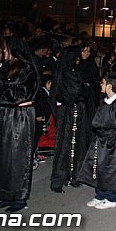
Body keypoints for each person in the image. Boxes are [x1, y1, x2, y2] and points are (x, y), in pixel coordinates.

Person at [0, 38, 40, 212]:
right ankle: (5, 194)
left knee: (17, 157)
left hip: (20, 116)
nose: (3, 52)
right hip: (6, 115)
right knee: (3, 156)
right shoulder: (7, 68)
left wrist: (2, 87)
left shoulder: (26, 69)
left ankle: (19, 197)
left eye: (6, 50)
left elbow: (21, 94)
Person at [77, 74, 116, 209]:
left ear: (109, 86)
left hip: (111, 143)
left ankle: (111, 198)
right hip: (100, 140)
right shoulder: (104, 102)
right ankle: (100, 195)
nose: (100, 86)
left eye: (102, 83)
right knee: (99, 168)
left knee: (110, 170)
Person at [50, 46, 92, 192]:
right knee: (67, 144)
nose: (78, 60)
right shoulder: (68, 73)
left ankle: (71, 176)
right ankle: (64, 177)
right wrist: (84, 90)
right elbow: (77, 92)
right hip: (70, 113)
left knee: (71, 144)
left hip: (69, 112)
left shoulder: (63, 72)